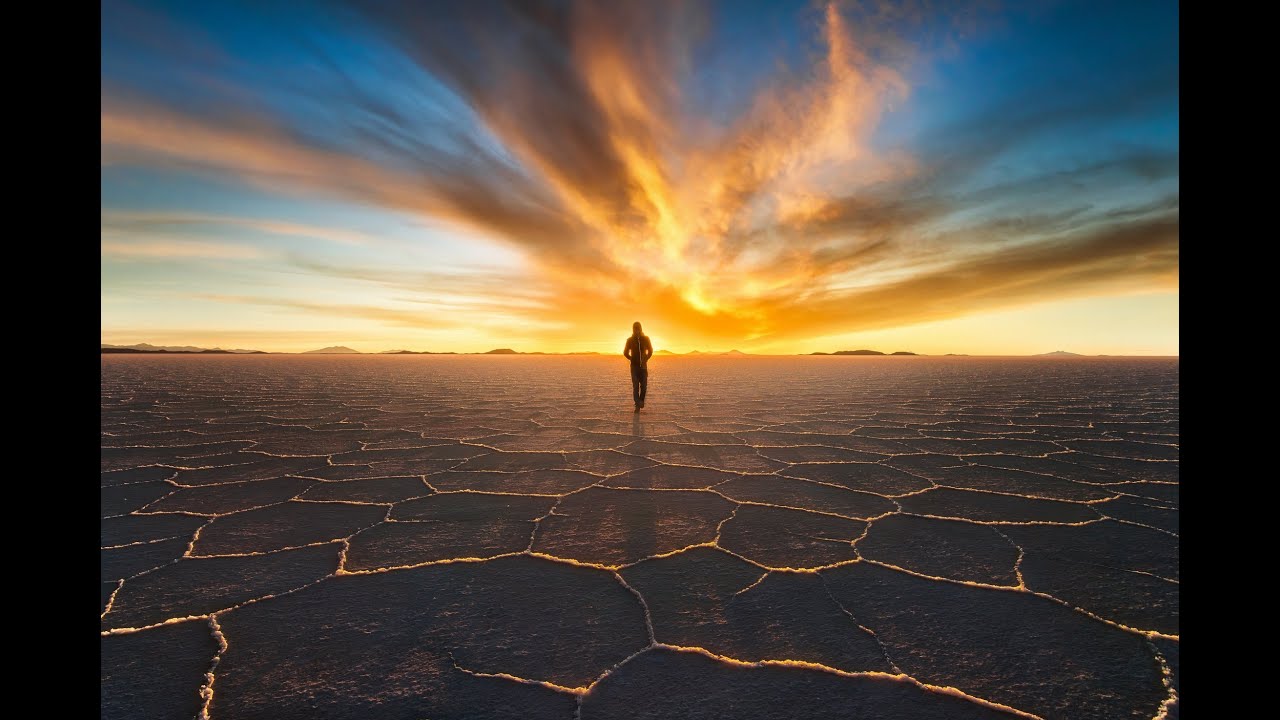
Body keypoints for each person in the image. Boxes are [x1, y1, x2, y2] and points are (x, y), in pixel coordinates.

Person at [623, 321, 653, 412]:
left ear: (640, 328)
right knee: (635, 386)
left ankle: (641, 401)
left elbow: (650, 350)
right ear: (633, 329)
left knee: (644, 386)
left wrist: (646, 358)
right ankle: (637, 404)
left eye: (638, 327)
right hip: (634, 367)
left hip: (643, 367)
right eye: (635, 328)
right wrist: (631, 359)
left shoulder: (646, 339)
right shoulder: (630, 340)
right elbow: (625, 352)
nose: (636, 329)